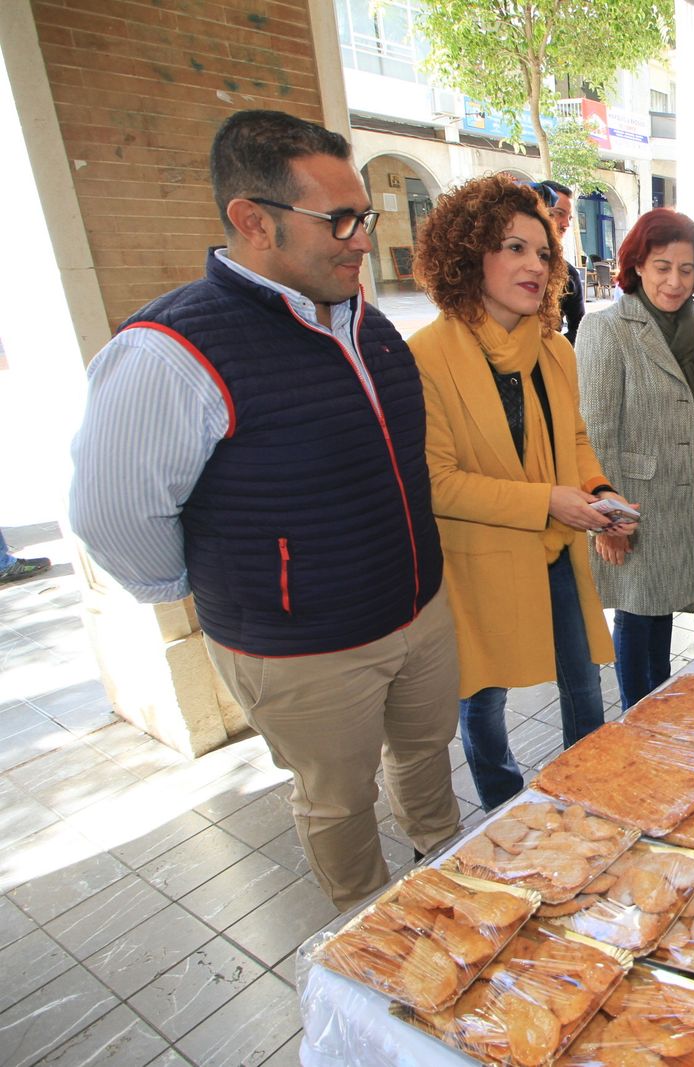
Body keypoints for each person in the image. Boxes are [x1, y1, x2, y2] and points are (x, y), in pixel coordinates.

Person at [69, 110, 460, 910]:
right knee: (337, 797)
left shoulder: (362, 319)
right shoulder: (172, 351)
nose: (362, 240)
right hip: (301, 651)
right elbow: (111, 511)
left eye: (365, 216)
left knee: (425, 754)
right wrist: (230, 586)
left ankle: (448, 873)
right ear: (253, 221)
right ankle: (368, 931)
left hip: (416, 610)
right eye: (340, 220)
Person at [408, 175, 633, 811]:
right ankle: (503, 811)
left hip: (558, 548)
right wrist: (547, 501)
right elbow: (437, 483)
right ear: (467, 253)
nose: (533, 264)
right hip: (476, 562)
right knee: (484, 701)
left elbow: (577, 441)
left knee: (584, 682)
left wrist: (599, 493)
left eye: (542, 252)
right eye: (513, 247)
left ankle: (591, 803)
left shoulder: (555, 349)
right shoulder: (426, 356)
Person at [575, 209, 694, 709]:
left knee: (660, 615)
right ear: (638, 265)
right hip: (636, 503)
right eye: (662, 266)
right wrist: (610, 521)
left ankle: (658, 709)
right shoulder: (607, 330)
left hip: (688, 495)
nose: (674, 281)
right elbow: (593, 434)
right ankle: (636, 719)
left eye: (686, 269)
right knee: (638, 618)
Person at [534, 179, 586, 345]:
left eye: (569, 217)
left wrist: (554, 349)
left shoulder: (569, 274)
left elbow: (580, 329)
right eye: (559, 213)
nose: (566, 224)